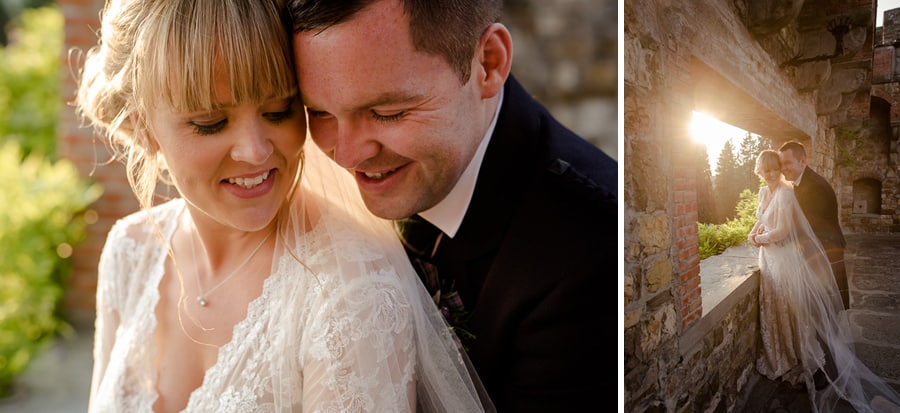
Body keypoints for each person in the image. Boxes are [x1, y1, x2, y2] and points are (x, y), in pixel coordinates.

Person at [75, 0, 489, 411]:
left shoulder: (353, 296)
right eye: (210, 124)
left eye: (278, 111)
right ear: (141, 126)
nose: (256, 152)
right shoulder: (130, 251)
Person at [288, 0, 617, 411]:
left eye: (387, 112)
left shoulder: (592, 254)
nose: (347, 155)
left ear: (488, 64)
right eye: (318, 112)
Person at [748, 150, 900, 412]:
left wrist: (762, 240)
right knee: (802, 312)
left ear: (801, 160)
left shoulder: (807, 188)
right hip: (781, 258)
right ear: (759, 170)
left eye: (783, 165)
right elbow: (764, 220)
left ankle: (828, 367)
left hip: (821, 255)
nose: (779, 171)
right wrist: (754, 233)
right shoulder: (779, 189)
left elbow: (795, 229)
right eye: (772, 167)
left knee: (819, 315)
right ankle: (808, 357)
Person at [778, 140, 849, 310]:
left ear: (803, 161)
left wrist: (775, 237)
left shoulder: (814, 187)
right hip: (819, 250)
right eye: (781, 164)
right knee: (823, 309)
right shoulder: (802, 182)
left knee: (826, 308)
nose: (783, 168)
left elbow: (806, 226)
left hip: (826, 251)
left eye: (787, 163)